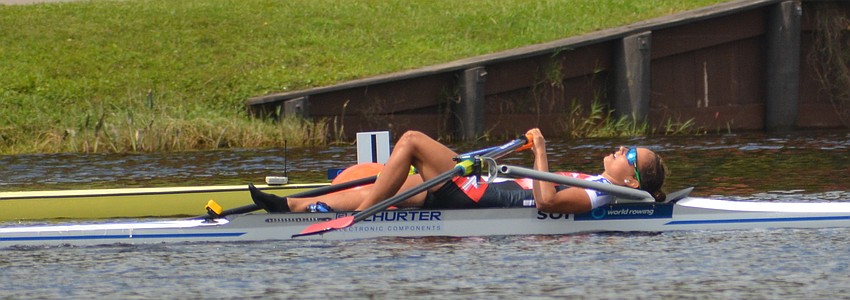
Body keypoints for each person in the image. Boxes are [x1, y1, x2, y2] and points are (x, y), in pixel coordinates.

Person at [248, 128, 667, 214]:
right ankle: (296, 206)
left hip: (479, 195)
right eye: (626, 147)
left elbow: (549, 199)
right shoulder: (607, 185)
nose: (619, 150)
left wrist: (540, 150)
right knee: (403, 185)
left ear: (631, 180)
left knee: (411, 141)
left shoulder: (599, 195)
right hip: (483, 185)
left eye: (628, 154)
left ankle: (362, 214)